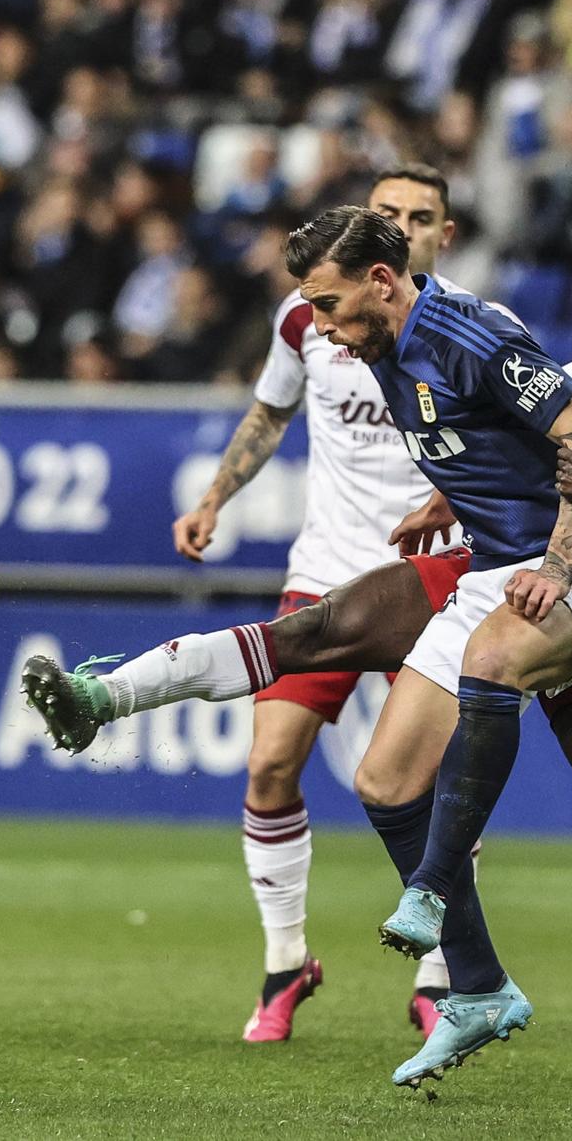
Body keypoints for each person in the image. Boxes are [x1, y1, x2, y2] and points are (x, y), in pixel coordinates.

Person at [24, 234, 572, 1113]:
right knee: (372, 757)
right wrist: (464, 481)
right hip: (507, 563)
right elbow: (544, 401)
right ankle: (106, 696)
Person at [163, 165, 475, 1043]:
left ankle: (441, 971)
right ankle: (285, 960)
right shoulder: (305, 316)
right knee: (268, 764)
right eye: (387, 213)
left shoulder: (462, 329)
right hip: (329, 573)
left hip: (433, 580)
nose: (403, 226)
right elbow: (269, 411)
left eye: (421, 217)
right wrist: (215, 497)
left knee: (440, 783)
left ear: (442, 236)